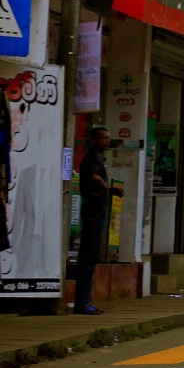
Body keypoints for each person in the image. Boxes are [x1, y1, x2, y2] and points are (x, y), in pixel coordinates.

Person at [73, 126, 112, 315]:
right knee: (88, 256)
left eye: (108, 137)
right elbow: (93, 176)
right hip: (93, 212)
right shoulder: (94, 157)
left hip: (95, 211)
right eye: (104, 138)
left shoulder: (98, 157)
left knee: (89, 256)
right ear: (95, 140)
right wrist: (105, 187)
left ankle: (84, 300)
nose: (107, 140)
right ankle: (82, 302)